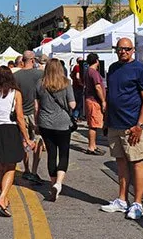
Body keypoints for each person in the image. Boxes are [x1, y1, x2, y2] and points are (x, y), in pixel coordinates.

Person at [101, 38, 143, 220]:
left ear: (132, 50)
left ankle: (137, 204)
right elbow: (110, 95)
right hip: (115, 125)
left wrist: (139, 125)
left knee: (137, 163)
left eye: (127, 49)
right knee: (121, 163)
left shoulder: (140, 69)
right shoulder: (113, 68)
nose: (123, 51)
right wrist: (106, 121)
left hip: (133, 127)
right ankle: (122, 200)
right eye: (119, 49)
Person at [0, 66, 35, 216]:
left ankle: (3, 197)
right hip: (9, 129)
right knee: (11, 166)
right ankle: (2, 197)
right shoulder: (15, 93)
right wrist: (26, 138)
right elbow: (19, 117)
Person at [35, 58, 76, 201]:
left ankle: (52, 183)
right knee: (63, 154)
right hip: (63, 123)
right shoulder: (66, 83)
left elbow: (37, 106)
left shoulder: (40, 84)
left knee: (51, 154)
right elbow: (72, 105)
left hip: (45, 123)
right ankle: (58, 183)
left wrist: (36, 123)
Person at [14, 50, 45, 184]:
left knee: (24, 141)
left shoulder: (16, 76)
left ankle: (26, 169)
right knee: (38, 141)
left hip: (21, 113)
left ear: (22, 61)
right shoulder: (41, 74)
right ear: (33, 60)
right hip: (36, 112)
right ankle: (34, 170)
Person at [83, 53, 106, 155]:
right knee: (93, 125)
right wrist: (103, 100)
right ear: (97, 60)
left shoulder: (88, 71)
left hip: (90, 100)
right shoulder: (94, 72)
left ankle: (94, 145)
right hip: (94, 101)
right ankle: (91, 147)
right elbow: (97, 87)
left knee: (94, 124)